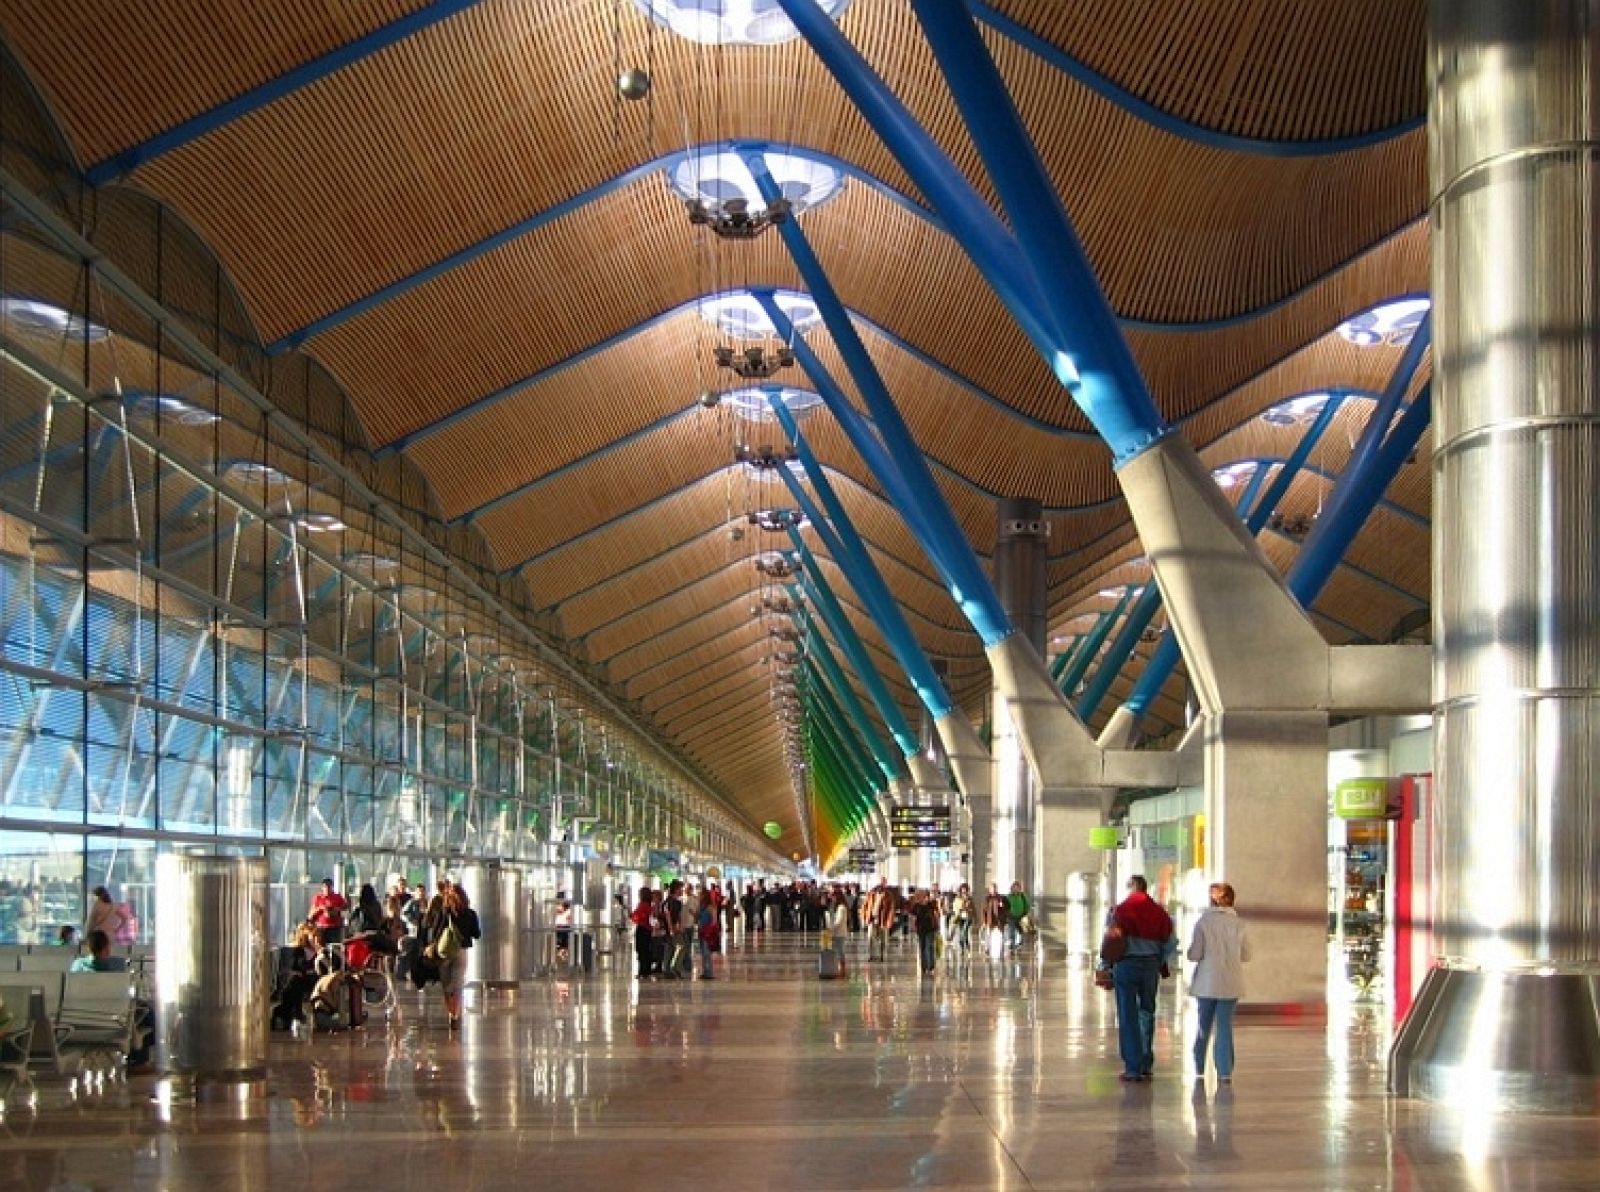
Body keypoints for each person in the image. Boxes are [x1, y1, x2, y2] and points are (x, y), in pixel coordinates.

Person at [1108, 874, 1177, 1082]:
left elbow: (1110, 940)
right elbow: (1171, 942)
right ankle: (1145, 1063)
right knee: (1147, 1012)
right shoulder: (1159, 913)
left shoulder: (1119, 911)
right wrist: (1158, 960)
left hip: (1126, 965)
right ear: (1146, 889)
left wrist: (1105, 966)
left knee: (1128, 1015)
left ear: (1130, 889)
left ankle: (1133, 1067)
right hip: (1150, 966)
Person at [1188, 882, 1251, 1082]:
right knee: (1224, 1025)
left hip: (1206, 983)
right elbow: (1247, 955)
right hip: (1231, 982)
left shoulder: (1203, 923)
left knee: (1203, 1025)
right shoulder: (1239, 924)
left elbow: (1194, 954)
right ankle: (1224, 1072)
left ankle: (1199, 1065)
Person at [423, 883, 481, 1031]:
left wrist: (434, 944)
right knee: (458, 984)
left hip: (444, 952)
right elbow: (477, 934)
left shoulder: (444, 912)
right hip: (461, 951)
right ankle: (455, 1014)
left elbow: (434, 932)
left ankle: (451, 1012)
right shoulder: (470, 913)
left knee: (447, 985)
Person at [863, 877, 898, 963]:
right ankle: (871, 955)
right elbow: (865, 905)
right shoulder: (872, 893)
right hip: (872, 919)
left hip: (883, 920)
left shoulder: (888, 895)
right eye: (881, 882)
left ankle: (882, 955)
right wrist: (865, 916)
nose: (882, 884)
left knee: (883, 939)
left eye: (884, 883)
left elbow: (891, 909)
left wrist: (889, 921)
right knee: (870, 937)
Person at [909, 889, 941, 976]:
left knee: (929, 946)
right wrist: (913, 927)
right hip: (920, 929)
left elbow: (937, 915)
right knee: (922, 947)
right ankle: (924, 967)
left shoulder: (932, 904)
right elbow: (913, 917)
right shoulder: (916, 906)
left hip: (931, 928)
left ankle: (931, 967)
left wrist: (937, 925)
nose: (926, 898)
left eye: (927, 896)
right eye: (924, 896)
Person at [308, 878, 349, 944]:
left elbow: (345, 908)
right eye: (325, 886)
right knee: (321, 945)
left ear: (332, 887)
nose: (327, 888)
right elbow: (311, 914)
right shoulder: (318, 898)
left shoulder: (337, 897)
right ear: (322, 887)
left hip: (335, 927)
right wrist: (321, 908)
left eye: (329, 886)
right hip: (321, 928)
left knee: (334, 946)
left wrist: (336, 909)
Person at [630, 888, 654, 980]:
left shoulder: (643, 905)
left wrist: (633, 916)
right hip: (647, 930)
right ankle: (646, 971)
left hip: (642, 928)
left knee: (641, 950)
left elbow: (637, 917)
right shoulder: (649, 905)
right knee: (646, 950)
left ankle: (643, 972)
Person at [696, 894, 719, 980]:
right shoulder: (701, 907)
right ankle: (705, 971)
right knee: (703, 953)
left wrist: (711, 930)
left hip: (707, 933)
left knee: (707, 953)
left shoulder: (711, 908)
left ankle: (709, 972)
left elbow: (714, 921)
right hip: (701, 931)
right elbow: (698, 918)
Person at [1006, 881, 1032, 951]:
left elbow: (1027, 905)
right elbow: (1005, 906)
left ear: (1019, 888)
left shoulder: (1022, 896)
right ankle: (1012, 944)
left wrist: (1026, 914)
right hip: (1011, 916)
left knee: (1020, 931)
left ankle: (1020, 944)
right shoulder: (1009, 896)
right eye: (1014, 887)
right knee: (1012, 930)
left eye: (1017, 888)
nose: (1016, 889)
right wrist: (1007, 914)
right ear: (1012, 888)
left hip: (1021, 916)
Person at [950, 884, 975, 954]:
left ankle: (967, 946)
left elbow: (973, 908)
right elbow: (955, 908)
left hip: (968, 917)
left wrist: (974, 916)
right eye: (963, 890)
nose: (964, 892)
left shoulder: (970, 899)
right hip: (960, 917)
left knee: (965, 932)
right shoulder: (957, 899)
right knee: (961, 933)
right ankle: (962, 948)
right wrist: (961, 908)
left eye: (965, 890)